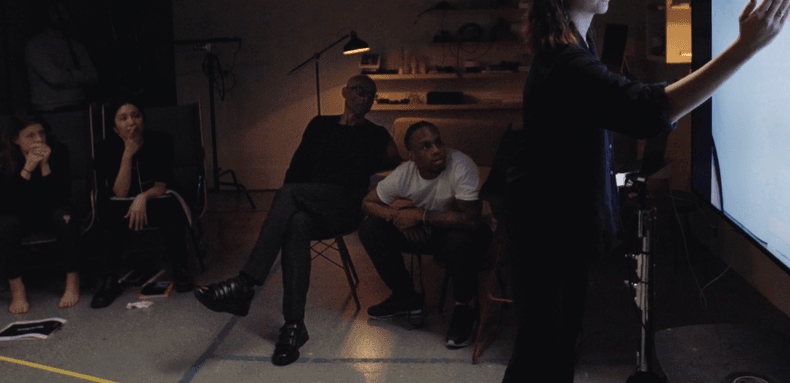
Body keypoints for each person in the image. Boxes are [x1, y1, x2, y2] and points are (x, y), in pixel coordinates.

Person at [501, 0, 790, 382]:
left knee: (554, 353)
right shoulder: (566, 62)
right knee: (541, 358)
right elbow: (646, 110)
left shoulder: (577, 47)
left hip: (550, 228)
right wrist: (745, 47)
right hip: (545, 234)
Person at [194, 74, 400, 367]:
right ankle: (294, 326)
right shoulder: (319, 124)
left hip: (345, 208)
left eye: (370, 94)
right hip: (309, 204)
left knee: (290, 195)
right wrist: (291, 200)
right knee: (296, 224)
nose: (364, 97)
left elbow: (399, 162)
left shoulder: (377, 135)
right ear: (344, 91)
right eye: (358, 90)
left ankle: (245, 284)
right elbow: (296, 167)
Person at [359, 121, 493, 349]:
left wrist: (419, 217)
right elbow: (368, 203)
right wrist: (398, 219)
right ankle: (406, 298)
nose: (437, 150)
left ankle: (464, 308)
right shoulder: (404, 173)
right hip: (427, 231)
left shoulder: (461, 165)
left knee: (458, 239)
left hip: (467, 234)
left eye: (438, 142)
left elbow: (470, 219)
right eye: (426, 146)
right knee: (370, 228)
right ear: (411, 156)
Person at [92, 99, 194, 308]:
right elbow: (119, 192)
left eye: (136, 115)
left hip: (157, 197)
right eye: (123, 118)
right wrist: (127, 154)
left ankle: (180, 267)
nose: (131, 122)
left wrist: (143, 197)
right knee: (110, 210)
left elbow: (161, 185)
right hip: (123, 203)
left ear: (144, 121)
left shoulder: (161, 141)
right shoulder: (104, 148)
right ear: (114, 127)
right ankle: (110, 279)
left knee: (169, 207)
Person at [0, 113, 82, 313]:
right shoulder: (5, 159)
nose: (38, 140)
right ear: (15, 139)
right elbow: (7, 205)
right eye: (30, 135)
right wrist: (28, 168)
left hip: (51, 211)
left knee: (66, 217)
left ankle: (72, 282)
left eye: (41, 133)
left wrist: (45, 165)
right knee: (5, 224)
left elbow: (60, 198)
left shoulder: (59, 151)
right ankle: (17, 289)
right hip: (21, 215)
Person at [24, 0, 98, 113]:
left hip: (79, 105)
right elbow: (55, 78)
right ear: (46, 15)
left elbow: (93, 76)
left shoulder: (76, 46)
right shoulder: (36, 45)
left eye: (64, 12)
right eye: (55, 11)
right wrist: (78, 75)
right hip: (50, 109)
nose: (60, 16)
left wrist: (68, 74)